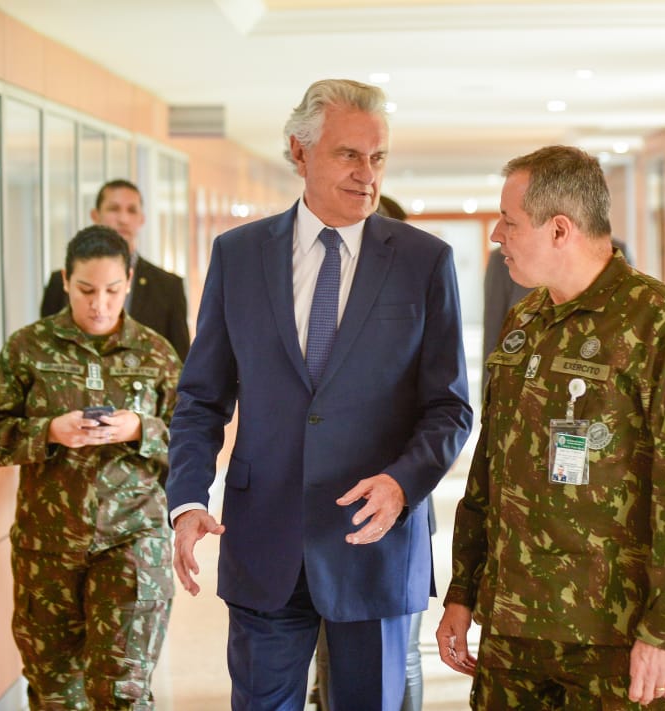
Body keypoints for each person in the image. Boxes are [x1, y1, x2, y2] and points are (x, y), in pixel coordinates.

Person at [166, 78, 472, 711]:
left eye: (378, 156)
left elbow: (449, 407)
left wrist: (401, 482)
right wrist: (188, 497)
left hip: (373, 543)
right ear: (299, 152)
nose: (367, 174)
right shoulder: (239, 255)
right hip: (264, 540)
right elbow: (202, 396)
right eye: (348, 155)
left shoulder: (424, 261)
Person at [436, 145, 665, 709]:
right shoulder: (524, 319)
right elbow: (490, 467)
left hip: (610, 632)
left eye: (510, 222)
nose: (497, 235)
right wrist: (463, 591)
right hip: (512, 628)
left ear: (560, 228)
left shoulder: (661, 323)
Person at [0, 225, 180, 709]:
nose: (99, 305)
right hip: (47, 547)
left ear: (129, 281)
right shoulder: (29, 348)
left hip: (132, 543)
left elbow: (193, 441)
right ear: (66, 280)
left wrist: (140, 428)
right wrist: (48, 432)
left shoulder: (156, 355)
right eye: (86, 290)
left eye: (111, 290)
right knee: (55, 691)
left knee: (122, 689)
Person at [308, 193, 435, 711]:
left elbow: (443, 407)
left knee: (399, 654)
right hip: (325, 510)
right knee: (329, 651)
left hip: (395, 506)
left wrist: (403, 483)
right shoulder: (324, 301)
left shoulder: (422, 294)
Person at [40, 179, 191, 360]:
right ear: (95, 215)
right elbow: (44, 345)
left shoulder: (168, 286)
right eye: (114, 209)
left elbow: (181, 360)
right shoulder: (60, 282)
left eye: (131, 210)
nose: (123, 219)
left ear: (141, 219)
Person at [483, 236, 631, 362]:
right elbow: (493, 336)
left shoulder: (614, 251)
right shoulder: (504, 260)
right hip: (525, 378)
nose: (497, 234)